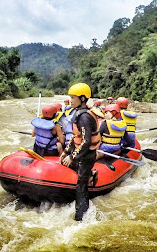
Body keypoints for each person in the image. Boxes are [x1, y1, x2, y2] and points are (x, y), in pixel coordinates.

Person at [58, 83, 101, 221]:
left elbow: (86, 142)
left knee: (80, 186)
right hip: (81, 152)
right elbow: (75, 136)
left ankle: (81, 216)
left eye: (73, 97)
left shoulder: (84, 117)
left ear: (82, 99)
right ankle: (91, 173)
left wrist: (72, 156)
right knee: (66, 164)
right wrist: (66, 151)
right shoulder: (78, 113)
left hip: (87, 155)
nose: (71, 100)